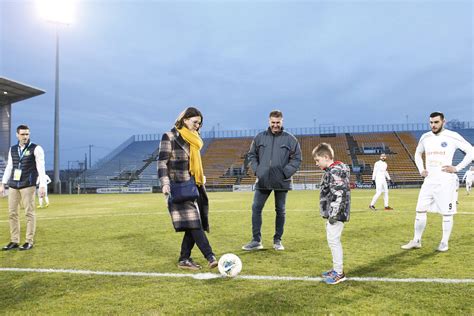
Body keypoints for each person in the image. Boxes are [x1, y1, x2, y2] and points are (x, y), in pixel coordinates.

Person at [401, 112, 473, 252]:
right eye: (431, 122)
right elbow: (417, 153)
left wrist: (457, 168)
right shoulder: (425, 137)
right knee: (420, 210)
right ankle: (416, 240)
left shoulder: (452, 136)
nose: (433, 125)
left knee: (447, 213)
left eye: (436, 122)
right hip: (429, 181)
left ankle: (444, 242)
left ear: (443, 122)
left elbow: (471, 151)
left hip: (445, 181)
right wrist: (421, 169)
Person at [158, 107, 218, 270]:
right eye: (195, 122)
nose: (198, 126)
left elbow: (194, 162)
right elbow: (162, 162)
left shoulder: (195, 139)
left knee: (193, 222)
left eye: (199, 123)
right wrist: (165, 183)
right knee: (195, 222)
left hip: (195, 185)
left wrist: (200, 175)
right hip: (178, 187)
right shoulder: (170, 136)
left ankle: (184, 258)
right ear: (185, 120)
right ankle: (210, 256)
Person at [242, 110, 302, 251]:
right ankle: (256, 241)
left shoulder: (291, 139)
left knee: (280, 210)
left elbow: (297, 159)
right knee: (256, 208)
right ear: (269, 122)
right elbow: (251, 155)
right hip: (263, 180)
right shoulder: (259, 137)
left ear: (282, 122)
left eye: (278, 122)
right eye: (273, 122)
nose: (275, 125)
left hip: (281, 181)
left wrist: (285, 173)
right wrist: (257, 171)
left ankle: (277, 240)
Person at [0, 125, 47, 251]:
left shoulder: (36, 148)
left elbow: (41, 168)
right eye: (22, 134)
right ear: (17, 135)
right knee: (12, 213)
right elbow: (10, 167)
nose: (25, 137)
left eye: (27, 134)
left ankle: (28, 241)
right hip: (14, 185)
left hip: (28, 185)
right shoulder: (13, 149)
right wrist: (2, 183)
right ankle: (14, 241)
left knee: (29, 213)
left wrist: (42, 185)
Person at [313, 143, 350, 285]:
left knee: (334, 241)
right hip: (334, 212)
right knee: (332, 240)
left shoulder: (335, 171)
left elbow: (339, 193)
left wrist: (333, 214)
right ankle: (336, 269)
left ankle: (339, 273)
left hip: (337, 214)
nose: (316, 163)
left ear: (326, 157)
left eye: (317, 160)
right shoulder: (333, 170)